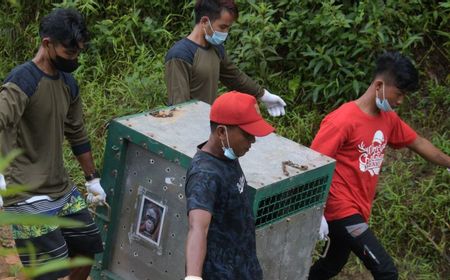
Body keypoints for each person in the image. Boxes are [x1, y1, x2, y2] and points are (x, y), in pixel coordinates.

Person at [308, 51, 450, 280]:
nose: (401, 101)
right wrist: (316, 212)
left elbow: (418, 142)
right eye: (400, 93)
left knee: (330, 266)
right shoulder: (342, 120)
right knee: (386, 271)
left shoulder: (388, 119)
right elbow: (313, 166)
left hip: (359, 208)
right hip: (339, 210)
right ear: (379, 85)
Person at [0, 8, 106, 280]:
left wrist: (92, 179)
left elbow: (77, 132)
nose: (74, 59)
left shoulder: (68, 83)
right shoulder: (23, 81)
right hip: (25, 189)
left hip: (59, 185)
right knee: (51, 271)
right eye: (69, 53)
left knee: (86, 249)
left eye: (78, 53)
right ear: (47, 44)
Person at [184, 91, 274, 280]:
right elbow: (198, 227)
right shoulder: (205, 175)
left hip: (244, 267)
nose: (252, 141)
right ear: (222, 132)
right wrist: (193, 276)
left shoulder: (227, 154)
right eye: (247, 135)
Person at [165, 0, 286, 117]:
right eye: (222, 27)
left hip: (208, 123)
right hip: (189, 127)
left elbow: (234, 77)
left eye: (228, 27)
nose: (225, 32)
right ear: (204, 21)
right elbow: (179, 107)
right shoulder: (181, 55)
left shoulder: (216, 48)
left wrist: (264, 95)